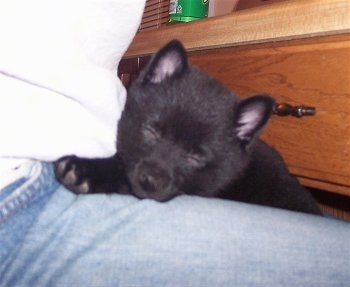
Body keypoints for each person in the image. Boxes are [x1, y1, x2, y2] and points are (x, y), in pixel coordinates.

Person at [0, 1, 349, 286]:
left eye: (194, 156)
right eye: (154, 133)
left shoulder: (254, 171)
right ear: (149, 80)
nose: (158, 167)